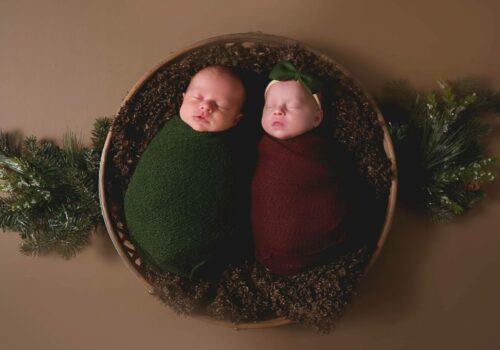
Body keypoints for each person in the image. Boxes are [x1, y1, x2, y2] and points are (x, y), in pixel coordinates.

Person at [124, 66, 247, 279]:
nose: (206, 106)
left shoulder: (233, 150)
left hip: (198, 249)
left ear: (236, 120)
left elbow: (232, 193)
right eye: (197, 97)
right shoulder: (171, 133)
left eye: (221, 105)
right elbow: (150, 171)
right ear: (182, 99)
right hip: (141, 222)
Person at [251, 61, 352, 276]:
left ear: (317, 118)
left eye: (293, 106)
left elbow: (332, 184)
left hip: (313, 239)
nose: (277, 111)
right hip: (268, 246)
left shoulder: (321, 150)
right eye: (269, 106)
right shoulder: (256, 145)